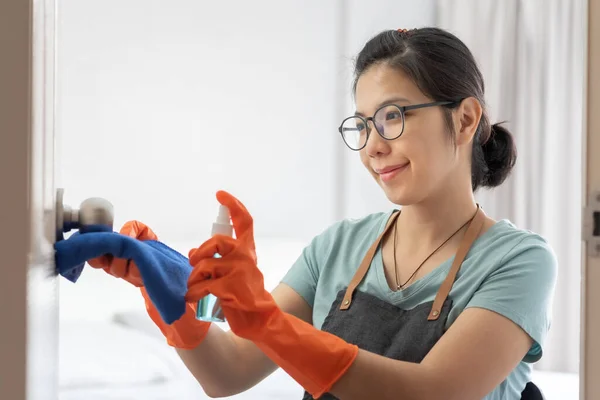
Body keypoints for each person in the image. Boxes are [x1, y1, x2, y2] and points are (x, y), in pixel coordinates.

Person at [75, 27, 558, 400]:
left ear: (466, 118)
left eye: (393, 116)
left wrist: (266, 320)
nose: (372, 146)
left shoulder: (519, 260)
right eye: (362, 124)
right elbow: (228, 372)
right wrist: (168, 300)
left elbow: (432, 391)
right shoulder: (337, 249)